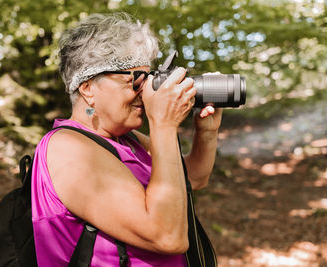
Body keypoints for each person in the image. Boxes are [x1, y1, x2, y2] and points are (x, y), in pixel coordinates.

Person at [31, 12, 223, 266]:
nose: (145, 91)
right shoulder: (68, 148)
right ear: (88, 88)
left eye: (148, 77)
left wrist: (206, 133)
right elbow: (167, 237)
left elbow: (192, 179)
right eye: (135, 80)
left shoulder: (126, 139)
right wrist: (163, 125)